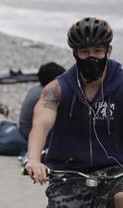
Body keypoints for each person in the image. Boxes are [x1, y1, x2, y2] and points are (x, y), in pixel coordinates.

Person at [25, 17, 123, 207]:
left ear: (108, 51)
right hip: (68, 173)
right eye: (84, 52)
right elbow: (40, 124)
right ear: (75, 53)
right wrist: (34, 159)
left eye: (98, 51)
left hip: (116, 171)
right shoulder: (57, 89)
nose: (91, 57)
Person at [18, 62, 65, 140]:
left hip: (25, 130)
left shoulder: (36, 89)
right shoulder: (47, 95)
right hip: (30, 136)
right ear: (52, 82)